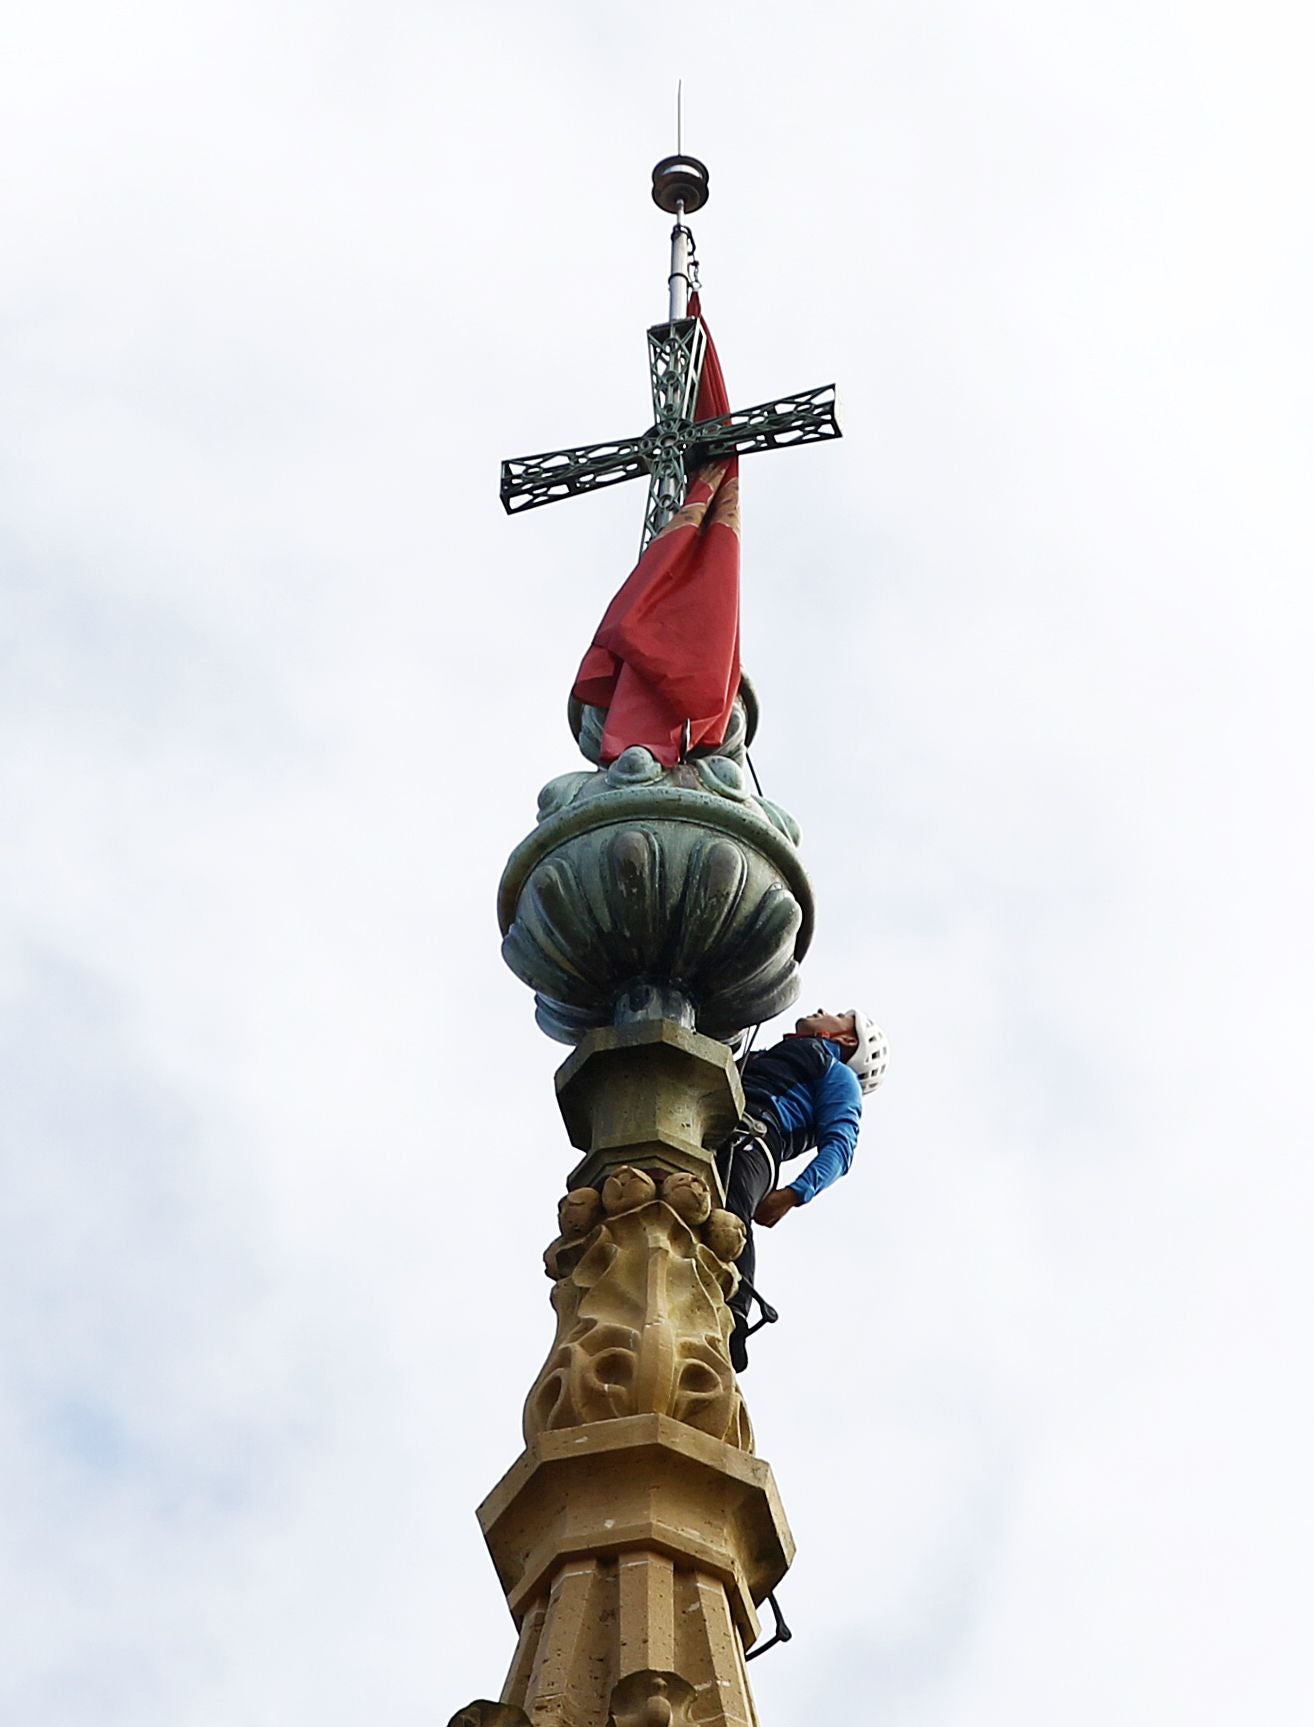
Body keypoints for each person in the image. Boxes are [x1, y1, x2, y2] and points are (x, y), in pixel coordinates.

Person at [717, 1009, 887, 1371]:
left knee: (730, 1212)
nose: (825, 1012)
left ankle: (732, 1317)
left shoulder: (837, 1074)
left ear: (846, 1040)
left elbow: (840, 1149)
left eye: (841, 1016)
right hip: (710, 1123)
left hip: (749, 1140)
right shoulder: (765, 1056)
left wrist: (792, 1194)